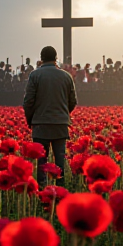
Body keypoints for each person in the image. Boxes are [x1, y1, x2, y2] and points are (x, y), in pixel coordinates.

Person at [23, 46, 77, 188]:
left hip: (41, 124)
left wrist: (31, 119)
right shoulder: (66, 76)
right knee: (60, 162)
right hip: (60, 125)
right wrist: (63, 114)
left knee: (42, 162)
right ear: (56, 58)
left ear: (41, 58)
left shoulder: (35, 75)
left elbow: (28, 101)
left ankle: (42, 191)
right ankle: (60, 192)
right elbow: (73, 101)